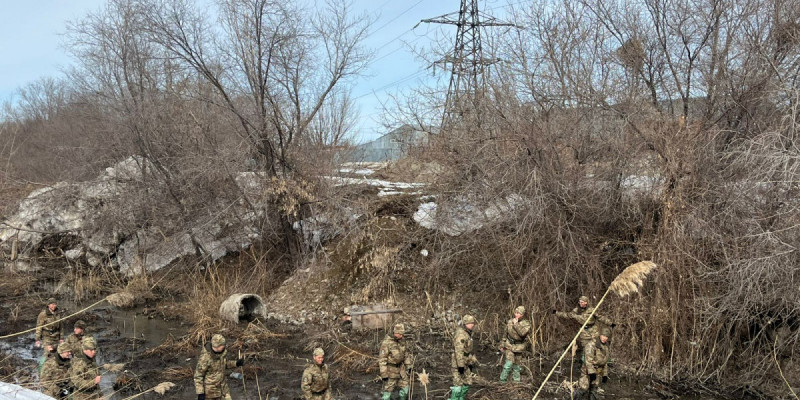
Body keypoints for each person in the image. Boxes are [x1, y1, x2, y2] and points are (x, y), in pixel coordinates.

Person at [194, 334, 243, 400]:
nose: (224, 346)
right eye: (222, 345)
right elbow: (198, 376)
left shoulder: (222, 354)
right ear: (217, 346)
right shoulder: (205, 358)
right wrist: (200, 393)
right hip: (210, 393)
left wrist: (236, 363)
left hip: (223, 389)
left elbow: (224, 363)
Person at [378, 323, 413, 400]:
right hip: (390, 371)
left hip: (401, 371)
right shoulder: (386, 343)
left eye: (402, 334)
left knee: (405, 390)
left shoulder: (402, 341)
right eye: (400, 334)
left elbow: (406, 354)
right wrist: (384, 375)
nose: (402, 336)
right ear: (396, 333)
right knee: (387, 395)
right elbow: (382, 359)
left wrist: (409, 366)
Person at [576, 326, 612, 399]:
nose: (605, 338)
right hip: (587, 371)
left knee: (594, 390)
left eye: (607, 337)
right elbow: (588, 361)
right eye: (604, 336)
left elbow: (604, 361)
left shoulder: (606, 346)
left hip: (597, 371)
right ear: (600, 335)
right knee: (583, 388)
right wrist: (591, 373)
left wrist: (605, 374)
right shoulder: (591, 345)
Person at [499, 306, 531, 383]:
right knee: (508, 364)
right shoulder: (510, 321)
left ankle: (516, 382)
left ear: (522, 314)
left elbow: (523, 333)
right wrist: (502, 345)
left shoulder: (526, 324)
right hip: (509, 345)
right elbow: (505, 334)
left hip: (519, 347)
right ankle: (502, 381)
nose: (516, 315)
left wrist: (516, 324)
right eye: (516, 313)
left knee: (517, 365)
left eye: (519, 313)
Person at [450, 315, 478, 400]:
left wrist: (470, 363)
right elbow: (459, 352)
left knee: (468, 382)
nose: (472, 325)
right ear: (465, 324)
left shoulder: (468, 332)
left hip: (466, 361)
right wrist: (460, 366)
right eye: (470, 323)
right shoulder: (461, 334)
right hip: (458, 363)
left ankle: (461, 398)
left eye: (472, 323)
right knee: (458, 385)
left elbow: (468, 350)